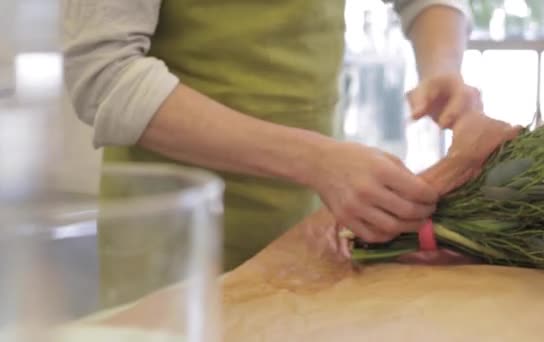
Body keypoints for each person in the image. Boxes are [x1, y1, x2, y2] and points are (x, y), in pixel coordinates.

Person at [63, 0, 481, 305]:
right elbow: (105, 75)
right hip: (174, 233)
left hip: (308, 225)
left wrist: (442, 67)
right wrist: (316, 161)